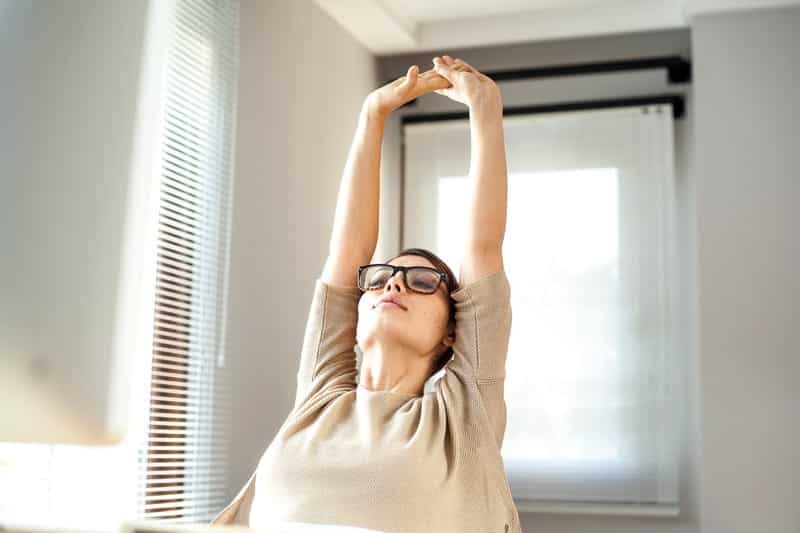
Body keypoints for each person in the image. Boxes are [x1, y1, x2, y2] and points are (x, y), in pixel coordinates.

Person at [211, 55, 521, 533]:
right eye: (379, 279)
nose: (392, 284)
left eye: (421, 282)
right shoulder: (320, 396)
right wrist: (372, 115)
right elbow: (346, 252)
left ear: (450, 332)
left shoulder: (461, 418)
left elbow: (482, 247)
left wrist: (485, 109)